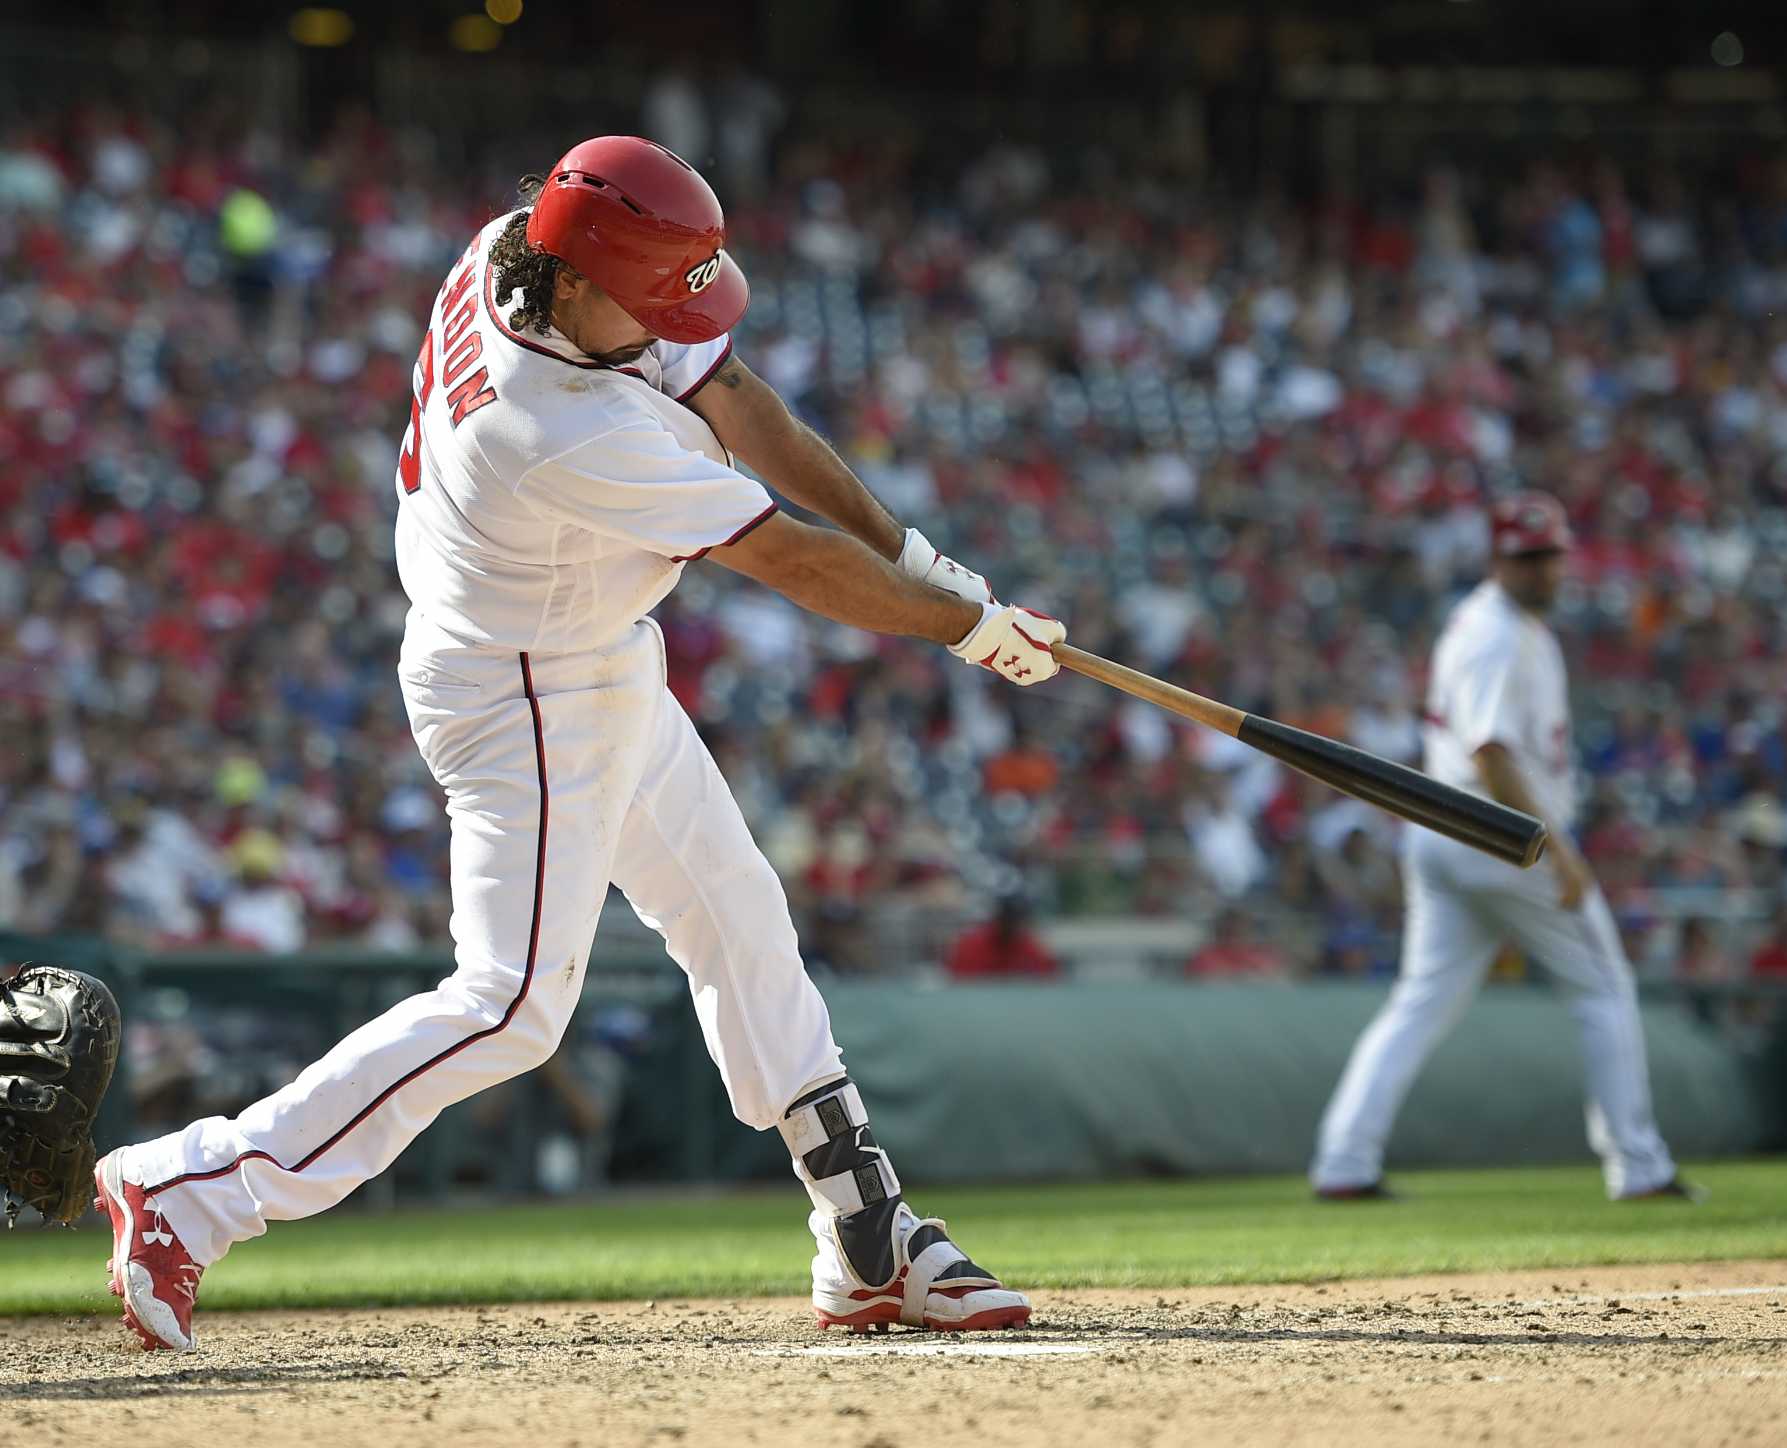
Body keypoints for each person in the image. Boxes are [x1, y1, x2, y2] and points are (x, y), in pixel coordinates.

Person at [93, 137, 1063, 1352]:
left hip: (587, 651)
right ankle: (194, 1184)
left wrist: (915, 556)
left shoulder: (529, 261)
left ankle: (867, 1234)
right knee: (510, 1007)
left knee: (737, 914)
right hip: (520, 688)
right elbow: (790, 561)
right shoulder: (556, 421)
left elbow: (738, 399)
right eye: (655, 296)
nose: (674, 320)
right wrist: (969, 630)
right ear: (583, 280)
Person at [1310, 493, 1694, 1203]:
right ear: (1498, 560)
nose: (1543, 569)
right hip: (1498, 833)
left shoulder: (1504, 625)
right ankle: (1639, 1165)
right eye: (1528, 557)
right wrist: (1559, 849)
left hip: (1443, 833)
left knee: (1420, 1003)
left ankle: (1344, 1161)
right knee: (1605, 990)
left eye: (1550, 554)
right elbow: (1491, 751)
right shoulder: (1495, 633)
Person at [943, 895, 1060, 980]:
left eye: (1017, 919)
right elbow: (956, 983)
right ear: (999, 919)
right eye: (1009, 919)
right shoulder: (970, 945)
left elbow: (1049, 978)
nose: (1013, 925)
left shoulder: (1030, 946)